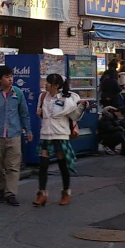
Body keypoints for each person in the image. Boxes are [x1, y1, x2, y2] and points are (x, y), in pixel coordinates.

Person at [0, 65, 32, 206]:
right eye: (7, 77)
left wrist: (28, 130)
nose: (10, 79)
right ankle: (2, 190)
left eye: (11, 76)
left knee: (13, 166)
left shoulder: (18, 93)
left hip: (14, 134)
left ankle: (11, 194)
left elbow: (24, 114)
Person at [34, 73, 88, 207]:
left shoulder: (67, 98)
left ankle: (65, 192)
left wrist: (81, 106)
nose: (45, 84)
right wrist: (40, 113)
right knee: (43, 165)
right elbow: (42, 113)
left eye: (48, 82)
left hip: (60, 134)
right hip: (46, 133)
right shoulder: (42, 96)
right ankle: (42, 193)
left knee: (62, 164)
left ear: (56, 85)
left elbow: (74, 116)